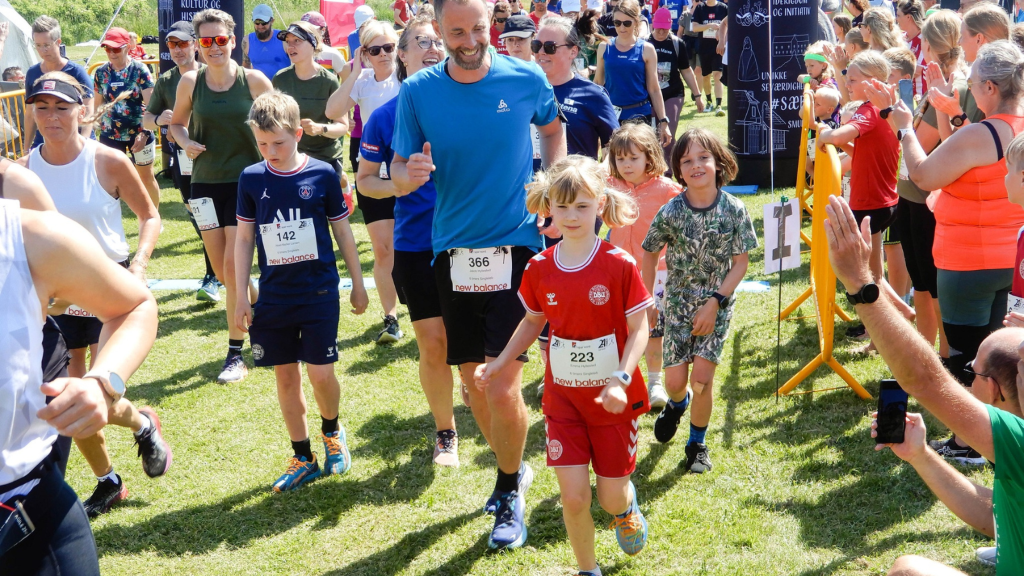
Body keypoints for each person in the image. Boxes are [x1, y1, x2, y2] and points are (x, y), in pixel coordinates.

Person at [391, 0, 566, 549]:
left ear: (493, 24)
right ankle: (513, 467)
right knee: (475, 383)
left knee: (503, 379)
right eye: (456, 32)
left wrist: (552, 184)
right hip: (452, 252)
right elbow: (395, 170)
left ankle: (508, 489)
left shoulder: (525, 76)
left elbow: (552, 128)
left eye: (478, 28)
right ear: (438, 30)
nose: (469, 40)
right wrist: (408, 173)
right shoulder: (417, 91)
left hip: (516, 246)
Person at [824, 191, 1024, 576]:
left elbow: (925, 379)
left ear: (996, 390)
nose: (965, 379)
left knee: (906, 569)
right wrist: (920, 455)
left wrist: (860, 283)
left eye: (973, 370)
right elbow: (996, 516)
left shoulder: (1017, 439)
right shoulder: (1012, 456)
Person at [476, 155, 653, 576]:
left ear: (601, 206)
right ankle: (587, 570)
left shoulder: (619, 264)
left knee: (609, 497)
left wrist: (620, 378)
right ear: (548, 208)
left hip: (612, 400)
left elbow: (640, 328)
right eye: (563, 206)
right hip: (563, 402)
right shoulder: (539, 268)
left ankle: (625, 508)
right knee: (573, 498)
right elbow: (532, 321)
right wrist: (499, 364)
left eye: (582, 206)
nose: (572, 216)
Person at [21, 72, 170, 517]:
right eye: (42, 107)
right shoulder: (23, 174)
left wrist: (139, 265)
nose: (51, 116)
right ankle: (110, 478)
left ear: (82, 110)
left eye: (61, 107)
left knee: (97, 393)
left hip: (109, 291)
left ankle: (140, 425)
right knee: (67, 396)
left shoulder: (107, 161)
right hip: (56, 296)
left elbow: (150, 216)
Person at [0, 200, 157, 575]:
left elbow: (134, 306)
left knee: (79, 409)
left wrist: (102, 385)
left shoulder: (28, 234)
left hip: (24, 509)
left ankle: (137, 432)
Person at [234, 91, 367, 491]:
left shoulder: (323, 174)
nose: (270, 152)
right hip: (273, 297)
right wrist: (240, 295)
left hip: (318, 292)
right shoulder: (251, 178)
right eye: (262, 144)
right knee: (286, 377)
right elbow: (244, 239)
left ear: (297, 134)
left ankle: (333, 432)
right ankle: (302, 455)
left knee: (321, 374)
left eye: (278, 142)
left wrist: (358, 283)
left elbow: (343, 231)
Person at [357, 16, 460, 466]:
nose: (433, 48)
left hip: (474, 240)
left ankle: (477, 395)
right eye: (422, 41)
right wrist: (398, 184)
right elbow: (364, 181)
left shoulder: (472, 104)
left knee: (472, 344)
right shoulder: (385, 116)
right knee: (433, 343)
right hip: (418, 245)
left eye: (439, 40)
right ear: (402, 54)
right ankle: (445, 432)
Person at [642, 128, 756, 474]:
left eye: (703, 157)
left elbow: (741, 263)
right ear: (678, 169)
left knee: (702, 380)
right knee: (676, 384)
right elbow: (650, 253)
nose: (696, 165)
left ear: (718, 162)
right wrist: (648, 299)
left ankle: (696, 445)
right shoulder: (672, 211)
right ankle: (677, 405)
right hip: (677, 306)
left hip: (716, 307)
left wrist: (715, 301)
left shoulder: (734, 210)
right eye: (686, 160)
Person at [170, 8, 274, 384]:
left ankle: (235, 354)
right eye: (207, 40)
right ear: (198, 45)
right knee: (225, 273)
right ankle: (264, 306)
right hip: (204, 184)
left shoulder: (254, 80)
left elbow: (280, 124)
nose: (214, 46)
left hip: (246, 184)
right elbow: (176, 123)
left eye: (221, 39)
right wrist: (184, 141)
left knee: (232, 265)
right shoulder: (189, 82)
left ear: (233, 40)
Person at [817, 52, 913, 325]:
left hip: (870, 203)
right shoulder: (882, 108)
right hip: (883, 201)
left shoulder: (869, 110)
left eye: (853, 79)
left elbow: (838, 136)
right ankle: (903, 313)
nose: (847, 84)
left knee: (868, 277)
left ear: (872, 82)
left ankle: (880, 331)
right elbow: (862, 150)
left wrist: (824, 134)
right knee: (875, 275)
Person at [327, 20, 405, 345]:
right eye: (375, 50)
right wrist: (354, 70)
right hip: (373, 174)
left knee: (413, 245)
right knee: (383, 249)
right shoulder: (362, 81)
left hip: (409, 171)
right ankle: (391, 318)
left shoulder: (409, 79)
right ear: (365, 53)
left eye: (389, 47)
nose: (383, 54)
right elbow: (332, 110)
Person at [144, 20, 220, 303]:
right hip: (183, 161)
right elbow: (146, 119)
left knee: (214, 217)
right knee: (199, 217)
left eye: (183, 43)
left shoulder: (212, 73)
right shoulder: (166, 80)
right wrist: (159, 120)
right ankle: (217, 269)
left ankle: (214, 275)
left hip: (214, 157)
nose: (177, 50)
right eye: (172, 44)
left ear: (195, 45)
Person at [607, 123, 681, 409]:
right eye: (620, 158)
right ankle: (618, 379)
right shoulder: (609, 187)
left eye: (633, 158)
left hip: (657, 274)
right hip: (617, 272)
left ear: (649, 156)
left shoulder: (667, 190)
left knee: (653, 329)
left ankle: (655, 383)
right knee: (617, 327)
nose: (626, 165)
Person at [272, 21, 349, 189]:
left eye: (297, 41)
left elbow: (343, 126)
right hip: (291, 157)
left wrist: (320, 128)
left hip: (325, 158)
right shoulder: (280, 79)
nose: (290, 46)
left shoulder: (329, 81)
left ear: (313, 44)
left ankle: (344, 188)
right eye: (288, 42)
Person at [93, 27, 161, 212]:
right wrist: (90, 130)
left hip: (139, 133)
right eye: (107, 48)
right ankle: (112, 219)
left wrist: (145, 133)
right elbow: (97, 106)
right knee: (109, 181)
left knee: (146, 177)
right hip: (110, 134)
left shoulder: (140, 70)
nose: (111, 53)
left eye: (116, 48)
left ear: (127, 47)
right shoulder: (101, 72)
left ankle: (154, 217)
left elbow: (152, 105)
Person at [536, 15, 619, 159]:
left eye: (550, 47)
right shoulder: (524, 90)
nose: (541, 52)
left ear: (573, 51)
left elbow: (616, 149)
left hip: (575, 174)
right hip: (531, 175)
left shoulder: (593, 95)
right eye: (536, 45)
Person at [594, 0, 673, 145]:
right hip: (612, 116)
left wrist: (663, 121)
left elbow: (654, 89)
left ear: (636, 22)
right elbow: (598, 83)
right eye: (617, 23)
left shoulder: (647, 49)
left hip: (639, 115)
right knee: (613, 158)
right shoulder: (605, 47)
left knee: (640, 156)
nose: (621, 27)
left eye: (627, 23)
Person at [24, 16, 95, 149]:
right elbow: (29, 114)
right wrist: (26, 148)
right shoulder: (32, 73)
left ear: (58, 42)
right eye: (38, 45)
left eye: (47, 45)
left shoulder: (77, 72)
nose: (43, 50)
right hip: (44, 141)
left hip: (76, 140)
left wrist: (83, 145)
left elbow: (89, 110)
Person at [649, 8, 704, 165]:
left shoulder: (677, 44)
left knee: (667, 131)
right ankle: (652, 167)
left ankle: (668, 170)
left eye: (665, 29)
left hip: (673, 92)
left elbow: (686, 70)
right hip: (649, 94)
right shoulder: (645, 43)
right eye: (658, 28)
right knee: (651, 134)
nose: (661, 32)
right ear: (653, 24)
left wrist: (697, 95)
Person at [689, 0, 728, 115]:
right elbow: (694, 27)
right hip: (704, 48)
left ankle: (719, 105)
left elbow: (730, 26)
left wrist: (722, 36)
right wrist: (709, 26)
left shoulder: (723, 8)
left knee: (717, 75)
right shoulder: (700, 8)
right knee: (706, 76)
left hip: (718, 48)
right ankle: (709, 101)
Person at [243, 4, 289, 82]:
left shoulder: (283, 39)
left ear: (272, 21)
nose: (260, 26)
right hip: (258, 87)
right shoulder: (247, 41)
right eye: (257, 22)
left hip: (282, 86)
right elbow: (245, 67)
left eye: (264, 22)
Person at [897, 0, 927, 97]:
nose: (896, 19)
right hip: (903, 95)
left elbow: (917, 71)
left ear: (908, 17)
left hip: (919, 98)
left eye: (898, 15)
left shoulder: (924, 39)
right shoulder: (900, 38)